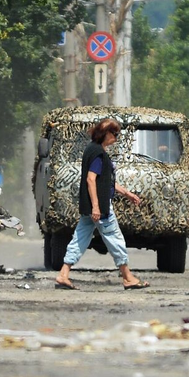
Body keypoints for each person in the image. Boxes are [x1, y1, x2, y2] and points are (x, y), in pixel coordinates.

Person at [55, 118, 149, 291]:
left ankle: (63, 274)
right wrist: (97, 207)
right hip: (100, 207)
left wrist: (127, 193)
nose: (117, 138)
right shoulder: (98, 154)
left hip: (88, 207)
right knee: (115, 238)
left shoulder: (92, 150)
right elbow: (91, 180)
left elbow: (105, 181)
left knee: (80, 238)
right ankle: (128, 277)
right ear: (106, 133)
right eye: (115, 134)